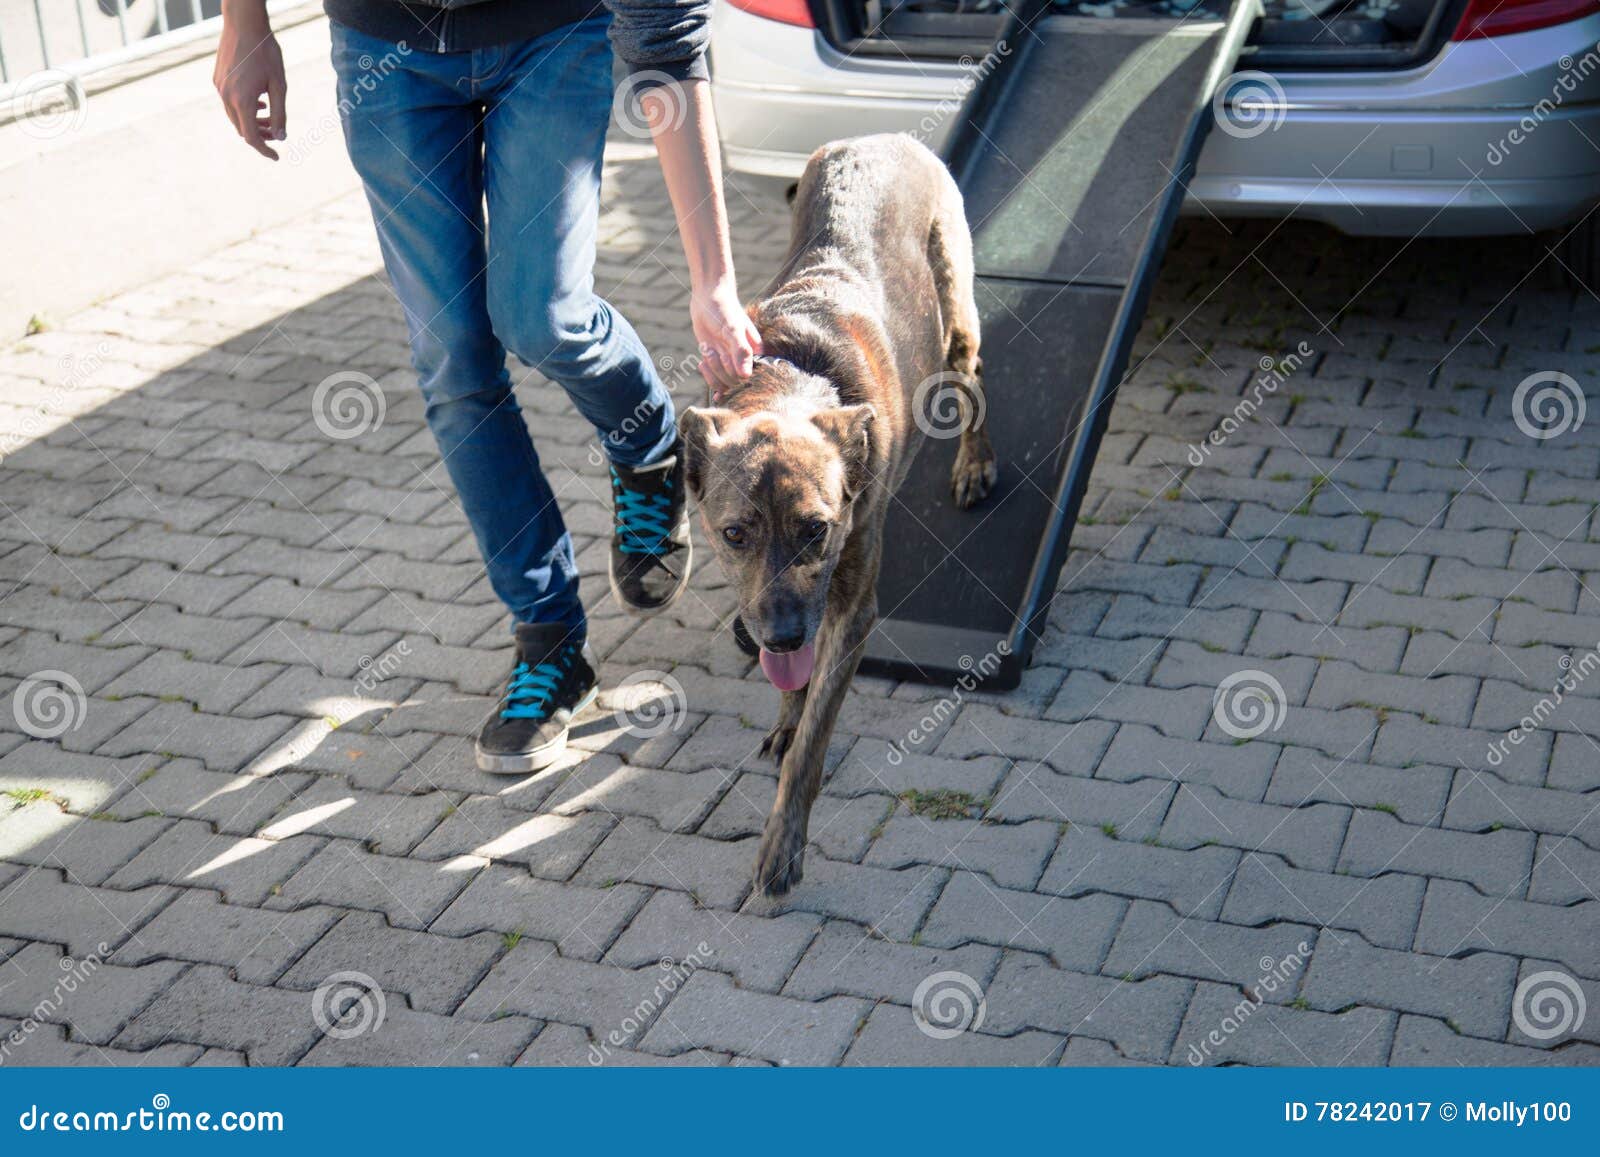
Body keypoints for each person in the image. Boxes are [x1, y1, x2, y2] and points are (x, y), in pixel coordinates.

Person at [213, 0, 760, 772]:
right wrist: (244, 21)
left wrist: (714, 282)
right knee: (453, 357)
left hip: (553, 33)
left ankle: (647, 442)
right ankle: (550, 638)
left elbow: (665, 38)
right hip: (385, 48)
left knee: (543, 317)